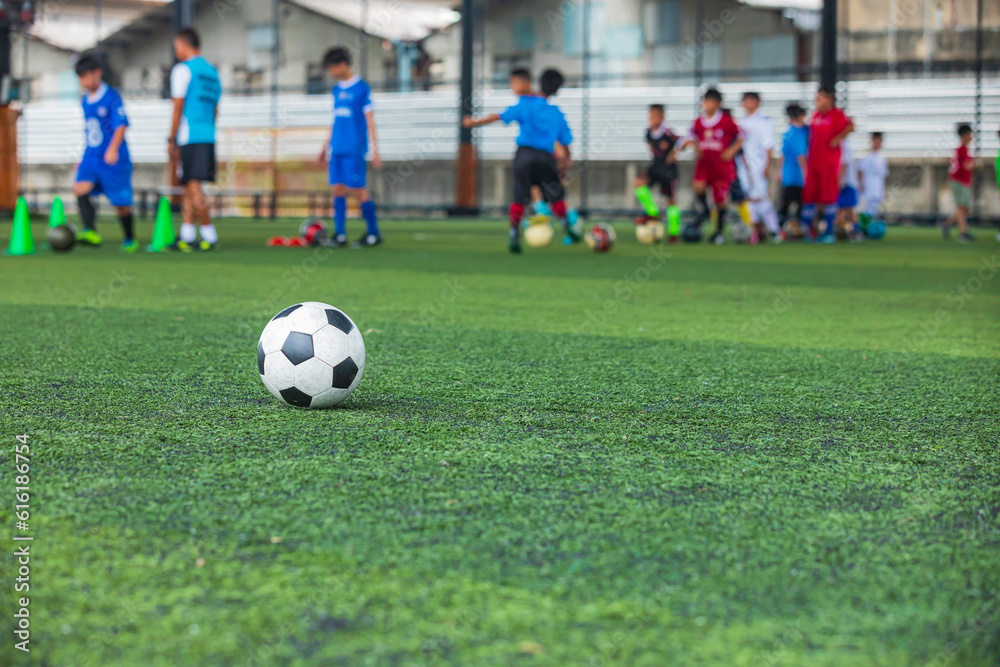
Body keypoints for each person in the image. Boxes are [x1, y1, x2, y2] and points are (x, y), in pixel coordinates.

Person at [462, 68, 576, 253]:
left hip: (523, 155)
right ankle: (567, 228)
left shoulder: (525, 104)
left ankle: (514, 233)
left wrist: (473, 122)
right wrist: (567, 160)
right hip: (546, 157)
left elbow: (498, 117)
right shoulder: (556, 112)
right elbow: (566, 141)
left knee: (519, 196)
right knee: (557, 195)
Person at [316, 46, 383, 248]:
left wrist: (375, 149)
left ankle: (374, 233)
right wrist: (324, 146)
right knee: (337, 189)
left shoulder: (362, 88)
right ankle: (340, 235)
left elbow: (370, 119)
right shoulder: (336, 90)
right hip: (336, 148)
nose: (331, 73)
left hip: (354, 148)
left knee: (358, 190)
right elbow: (334, 120)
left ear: (343, 64)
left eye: (332, 68)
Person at [72, 54, 137, 252]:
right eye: (81, 77)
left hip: (113, 159)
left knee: (121, 204)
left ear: (97, 73)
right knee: (80, 188)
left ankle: (129, 238)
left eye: (87, 76)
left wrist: (113, 149)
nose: (84, 81)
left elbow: (121, 125)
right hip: (92, 157)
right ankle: (90, 230)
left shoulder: (111, 97)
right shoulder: (84, 100)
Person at [168, 28, 222, 251]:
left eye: (176, 46)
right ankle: (187, 236)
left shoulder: (183, 70)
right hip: (207, 134)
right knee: (191, 185)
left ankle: (210, 235)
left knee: (193, 186)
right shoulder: (212, 72)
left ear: (183, 44)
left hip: (189, 135)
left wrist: (171, 139)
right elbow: (216, 108)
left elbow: (178, 107)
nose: (176, 51)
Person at [681, 88, 743, 244]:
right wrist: (694, 146)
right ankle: (706, 212)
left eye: (710, 101)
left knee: (720, 200)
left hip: (721, 165)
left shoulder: (726, 121)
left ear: (718, 104)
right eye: (705, 101)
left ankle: (719, 232)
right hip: (704, 163)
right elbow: (691, 136)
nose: (707, 105)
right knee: (698, 186)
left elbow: (742, 136)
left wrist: (731, 151)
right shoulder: (698, 122)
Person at [801, 86, 853, 243]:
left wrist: (838, 138)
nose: (817, 101)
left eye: (820, 98)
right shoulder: (816, 115)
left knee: (828, 195)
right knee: (810, 195)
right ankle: (807, 230)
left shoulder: (836, 115)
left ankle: (829, 231)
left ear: (829, 99)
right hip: (814, 162)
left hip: (829, 163)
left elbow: (850, 126)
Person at [737, 92, 781, 243]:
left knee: (760, 198)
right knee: (747, 198)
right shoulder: (741, 122)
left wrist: (768, 165)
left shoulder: (764, 122)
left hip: (759, 165)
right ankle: (754, 230)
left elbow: (769, 145)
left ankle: (775, 230)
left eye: (751, 100)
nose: (748, 104)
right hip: (743, 166)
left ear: (757, 102)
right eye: (745, 101)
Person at [634, 104, 680, 241]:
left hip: (668, 169)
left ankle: (674, 233)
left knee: (671, 200)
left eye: (654, 116)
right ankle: (653, 213)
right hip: (655, 166)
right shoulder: (648, 132)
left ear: (662, 117)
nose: (651, 119)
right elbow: (651, 148)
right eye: (650, 116)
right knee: (639, 183)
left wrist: (673, 154)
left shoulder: (668, 133)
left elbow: (680, 143)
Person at [943, 124, 975, 243]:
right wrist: (975, 163)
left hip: (961, 181)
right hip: (959, 181)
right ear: (964, 135)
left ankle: (947, 223)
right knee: (961, 208)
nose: (971, 137)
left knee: (964, 208)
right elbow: (967, 166)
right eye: (969, 134)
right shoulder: (962, 150)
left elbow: (951, 162)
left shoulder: (959, 150)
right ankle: (963, 232)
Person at [778, 104, 808, 231]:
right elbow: (800, 155)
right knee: (798, 203)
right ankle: (792, 229)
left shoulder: (788, 132)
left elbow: (782, 154)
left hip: (788, 174)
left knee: (787, 202)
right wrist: (806, 171)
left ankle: (781, 228)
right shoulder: (798, 132)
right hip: (797, 175)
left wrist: (780, 171)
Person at [857, 132, 888, 228]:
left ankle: (870, 228)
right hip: (868, 187)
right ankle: (863, 228)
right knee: (865, 208)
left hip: (878, 187)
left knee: (874, 209)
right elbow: (860, 171)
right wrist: (861, 184)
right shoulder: (866, 157)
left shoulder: (882, 158)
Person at [836, 140, 859, 235]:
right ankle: (848, 230)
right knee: (845, 208)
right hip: (848, 182)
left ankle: (853, 231)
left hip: (846, 183)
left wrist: (839, 181)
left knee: (846, 209)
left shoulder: (843, 145)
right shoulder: (845, 144)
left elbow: (844, 164)